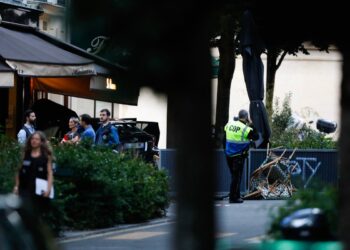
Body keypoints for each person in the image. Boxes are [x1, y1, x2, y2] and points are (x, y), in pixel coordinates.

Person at [13, 131, 54, 215]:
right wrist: (16, 186)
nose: (34, 141)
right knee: (24, 213)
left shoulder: (46, 156)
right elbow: (18, 170)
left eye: (37, 139)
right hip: (24, 188)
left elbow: (50, 173)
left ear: (41, 141)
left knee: (38, 214)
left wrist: (48, 189)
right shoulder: (25, 154)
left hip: (39, 190)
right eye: (32, 138)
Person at [224, 109, 258, 203]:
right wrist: (251, 124)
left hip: (228, 154)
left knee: (234, 176)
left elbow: (225, 136)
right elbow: (256, 137)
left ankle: (237, 195)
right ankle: (233, 198)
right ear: (246, 117)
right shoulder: (246, 129)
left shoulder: (229, 124)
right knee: (236, 177)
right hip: (238, 156)